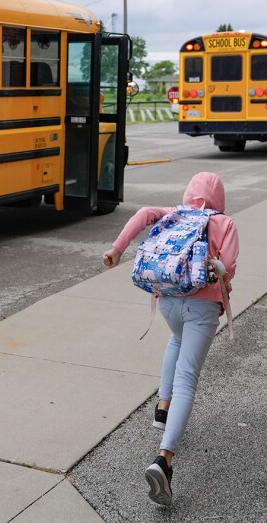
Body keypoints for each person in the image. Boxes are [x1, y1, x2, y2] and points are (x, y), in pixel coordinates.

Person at [102, 172, 239, 506]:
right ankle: (164, 460)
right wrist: (220, 274)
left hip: (167, 301)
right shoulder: (225, 223)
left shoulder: (174, 213)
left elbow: (143, 213)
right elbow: (228, 268)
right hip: (201, 308)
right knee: (188, 379)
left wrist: (118, 249)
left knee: (176, 341)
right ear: (218, 198)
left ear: (189, 192)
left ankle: (162, 408)